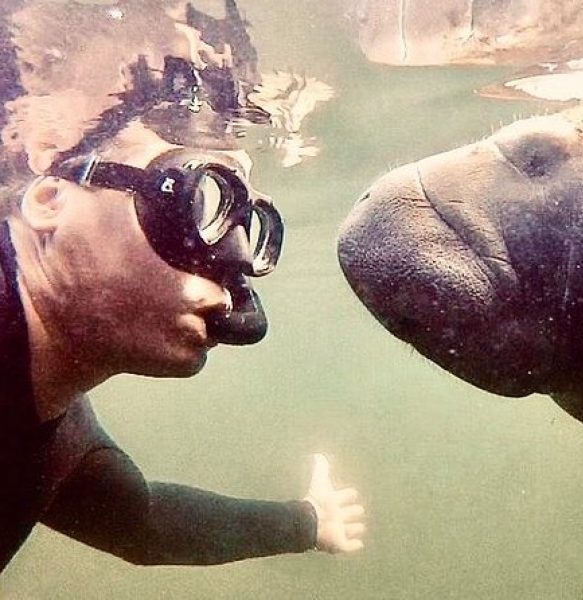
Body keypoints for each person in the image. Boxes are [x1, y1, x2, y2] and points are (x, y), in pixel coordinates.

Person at [0, 0, 365, 572]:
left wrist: (309, 521)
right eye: (197, 199)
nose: (235, 258)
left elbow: (141, 522)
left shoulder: (54, 427)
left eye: (246, 222)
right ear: (50, 199)